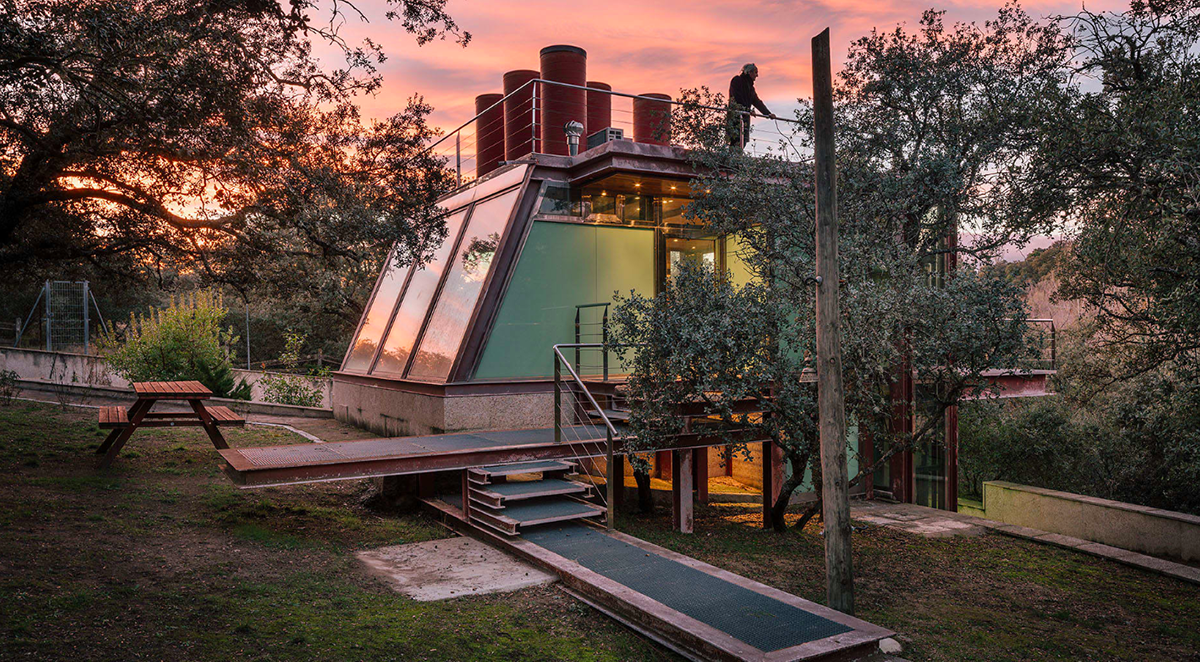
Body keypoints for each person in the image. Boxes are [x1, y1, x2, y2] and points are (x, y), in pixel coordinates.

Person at [727, 63, 775, 148]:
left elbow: (757, 102)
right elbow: (737, 98)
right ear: (749, 72)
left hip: (745, 117)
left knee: (743, 140)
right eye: (756, 72)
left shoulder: (751, 88)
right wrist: (747, 110)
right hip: (736, 116)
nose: (757, 75)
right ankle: (733, 159)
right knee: (735, 139)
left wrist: (768, 114)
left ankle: (737, 159)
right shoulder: (737, 80)